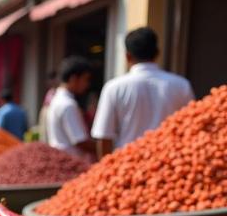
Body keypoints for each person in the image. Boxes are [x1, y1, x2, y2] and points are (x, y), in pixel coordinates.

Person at [92, 26, 194, 158]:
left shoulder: (114, 87)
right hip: (169, 164)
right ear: (157, 53)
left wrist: (107, 172)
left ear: (127, 56)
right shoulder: (181, 85)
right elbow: (191, 129)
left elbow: (104, 136)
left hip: (126, 166)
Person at [46, 57, 97, 158]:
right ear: (73, 79)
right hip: (70, 160)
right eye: (85, 79)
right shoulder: (68, 104)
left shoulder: (57, 99)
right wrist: (106, 148)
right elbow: (80, 141)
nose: (87, 84)